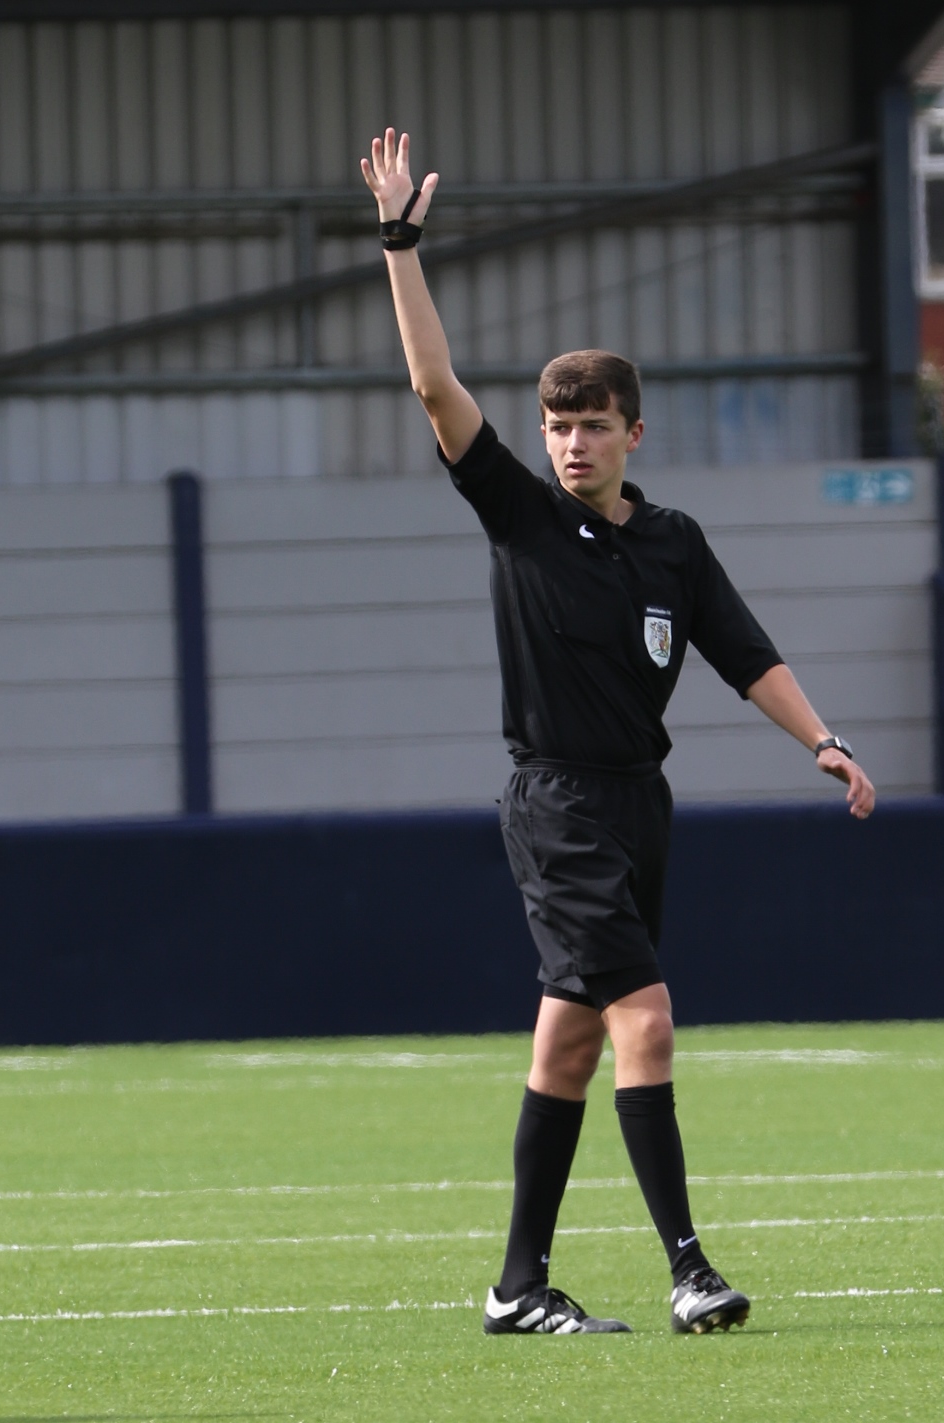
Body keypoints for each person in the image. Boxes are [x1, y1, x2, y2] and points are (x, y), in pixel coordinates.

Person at [362, 129, 876, 1337]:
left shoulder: (672, 543)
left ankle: (513, 1286)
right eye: (555, 424)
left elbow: (740, 651)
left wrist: (822, 740)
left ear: (631, 432)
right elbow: (435, 387)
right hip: (557, 805)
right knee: (643, 1016)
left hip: (639, 802)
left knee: (569, 1047)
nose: (569, 441)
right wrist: (399, 246)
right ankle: (689, 1267)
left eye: (591, 424)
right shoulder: (518, 520)